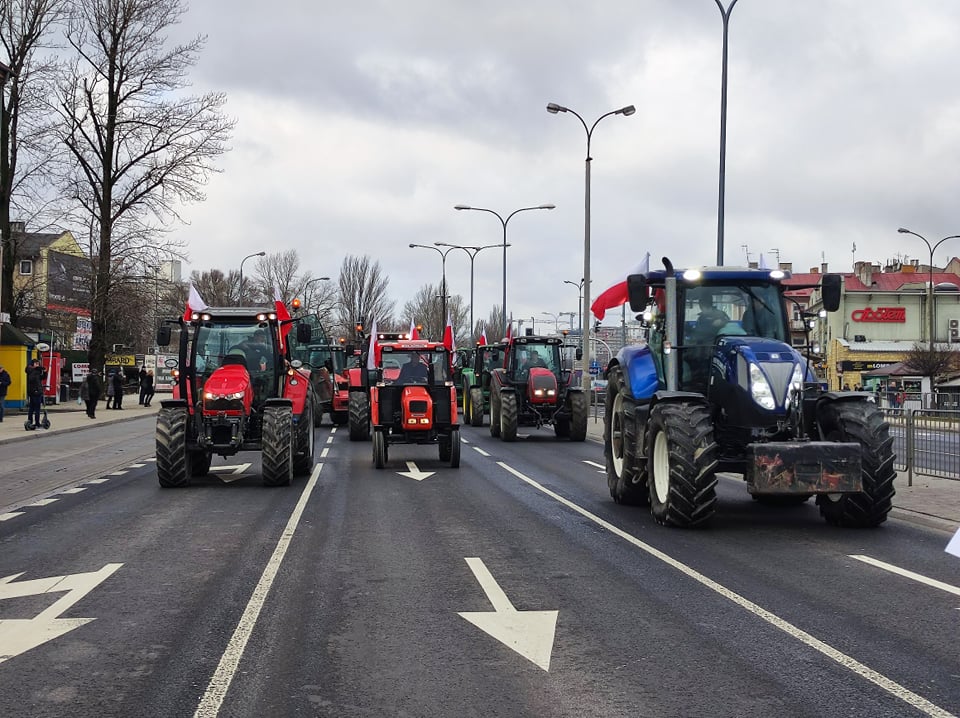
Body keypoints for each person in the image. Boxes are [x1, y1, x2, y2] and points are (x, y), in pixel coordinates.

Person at [25, 358, 47, 429]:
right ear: (33, 364)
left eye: (38, 364)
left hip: (36, 391)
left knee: (32, 407)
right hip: (35, 392)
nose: (38, 365)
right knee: (36, 408)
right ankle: (36, 422)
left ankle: (31, 421)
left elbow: (42, 378)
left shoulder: (35, 372)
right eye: (36, 364)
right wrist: (37, 370)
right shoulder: (32, 371)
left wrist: (45, 372)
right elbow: (32, 379)